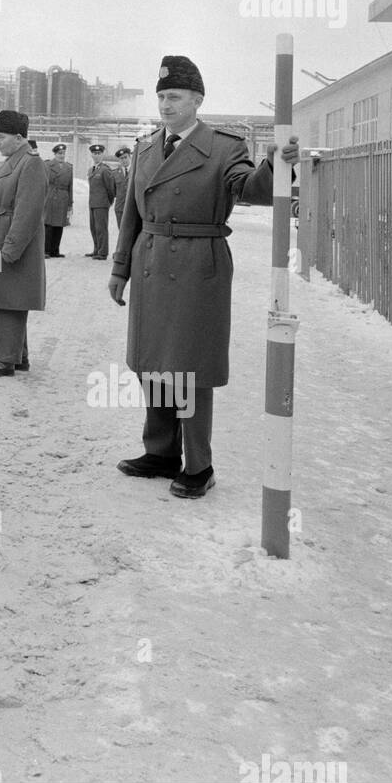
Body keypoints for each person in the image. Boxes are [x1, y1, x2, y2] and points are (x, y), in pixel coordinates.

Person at [107, 55, 301, 498]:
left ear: (197, 100)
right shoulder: (146, 146)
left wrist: (274, 163)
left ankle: (199, 464)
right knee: (153, 363)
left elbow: (250, 189)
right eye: (160, 96)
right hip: (151, 261)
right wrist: (121, 268)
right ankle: (160, 452)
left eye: (173, 96)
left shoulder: (224, 146)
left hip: (198, 265)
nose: (165, 104)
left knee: (189, 367)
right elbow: (132, 214)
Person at [0, 109, 46, 379]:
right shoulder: (14, 160)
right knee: (5, 295)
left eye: (1, 137)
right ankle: (18, 355)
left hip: (8, 243)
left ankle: (3, 360)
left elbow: (28, 212)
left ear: (18, 137)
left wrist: (11, 250)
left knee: (8, 297)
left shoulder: (30, 163)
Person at [86, 142, 117, 258]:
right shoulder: (91, 170)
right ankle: (96, 249)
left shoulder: (105, 170)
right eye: (94, 153)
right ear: (92, 155)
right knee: (93, 228)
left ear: (102, 155)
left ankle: (103, 252)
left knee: (101, 228)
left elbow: (110, 188)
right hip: (93, 203)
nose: (96, 155)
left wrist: (108, 202)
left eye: (99, 153)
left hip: (102, 204)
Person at [43, 142, 73, 258]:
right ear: (55, 154)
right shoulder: (48, 165)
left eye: (63, 153)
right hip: (50, 196)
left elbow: (71, 186)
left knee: (59, 225)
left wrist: (70, 203)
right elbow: (44, 183)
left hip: (63, 198)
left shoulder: (69, 167)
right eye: (59, 153)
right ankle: (46, 250)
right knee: (49, 224)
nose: (62, 155)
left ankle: (55, 250)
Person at [113, 146, 132, 223]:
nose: (124, 160)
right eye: (121, 158)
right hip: (120, 208)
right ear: (119, 160)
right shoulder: (115, 173)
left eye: (125, 157)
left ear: (129, 157)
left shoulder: (136, 171)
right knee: (121, 232)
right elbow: (112, 190)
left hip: (132, 208)